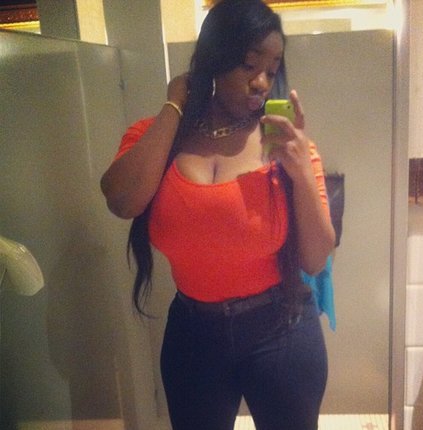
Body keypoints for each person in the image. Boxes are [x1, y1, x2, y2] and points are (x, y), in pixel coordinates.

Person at [101, 0, 335, 429]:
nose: (262, 82)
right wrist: (175, 106)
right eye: (249, 65)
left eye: (272, 68)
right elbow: (121, 201)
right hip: (194, 335)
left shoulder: (284, 145)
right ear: (215, 58)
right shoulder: (160, 137)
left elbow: (316, 259)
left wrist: (301, 170)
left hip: (281, 328)